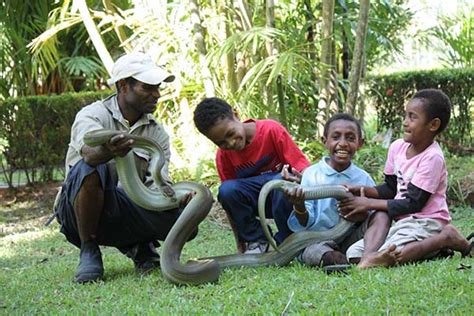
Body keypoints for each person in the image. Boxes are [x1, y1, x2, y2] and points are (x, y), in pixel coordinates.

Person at [53, 52, 195, 283]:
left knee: (184, 222)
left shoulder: (156, 133)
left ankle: (139, 245)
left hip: (128, 204)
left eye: (157, 88)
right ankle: (89, 249)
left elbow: (156, 184)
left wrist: (176, 199)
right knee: (89, 168)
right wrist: (108, 151)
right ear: (123, 86)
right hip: (77, 210)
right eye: (147, 88)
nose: (156, 95)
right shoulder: (93, 115)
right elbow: (88, 153)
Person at [340, 89, 473, 268]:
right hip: (405, 224)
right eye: (405, 116)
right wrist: (362, 190)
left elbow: (413, 203)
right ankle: (435, 248)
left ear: (433, 125)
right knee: (353, 254)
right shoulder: (397, 148)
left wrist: (367, 203)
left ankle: (445, 238)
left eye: (412, 117)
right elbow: (390, 188)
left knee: (392, 254)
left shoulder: (432, 157)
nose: (405, 122)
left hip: (427, 221)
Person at [193, 97, 311, 254]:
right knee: (226, 189)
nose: (231, 143)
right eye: (221, 142)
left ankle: (287, 239)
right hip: (256, 201)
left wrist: (297, 179)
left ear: (235, 115)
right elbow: (230, 201)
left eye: (230, 133)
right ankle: (256, 241)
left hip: (285, 198)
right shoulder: (223, 156)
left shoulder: (271, 130)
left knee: (280, 182)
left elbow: (305, 171)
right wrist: (240, 241)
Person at [282, 113, 390, 269]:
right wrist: (299, 206)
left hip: (351, 238)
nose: (343, 143)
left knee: (382, 214)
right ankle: (339, 258)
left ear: (360, 143)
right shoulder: (312, 175)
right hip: (317, 241)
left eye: (350, 138)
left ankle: (368, 256)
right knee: (313, 253)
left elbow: (371, 216)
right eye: (336, 137)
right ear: (325, 141)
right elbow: (305, 222)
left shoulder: (363, 178)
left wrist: (363, 213)